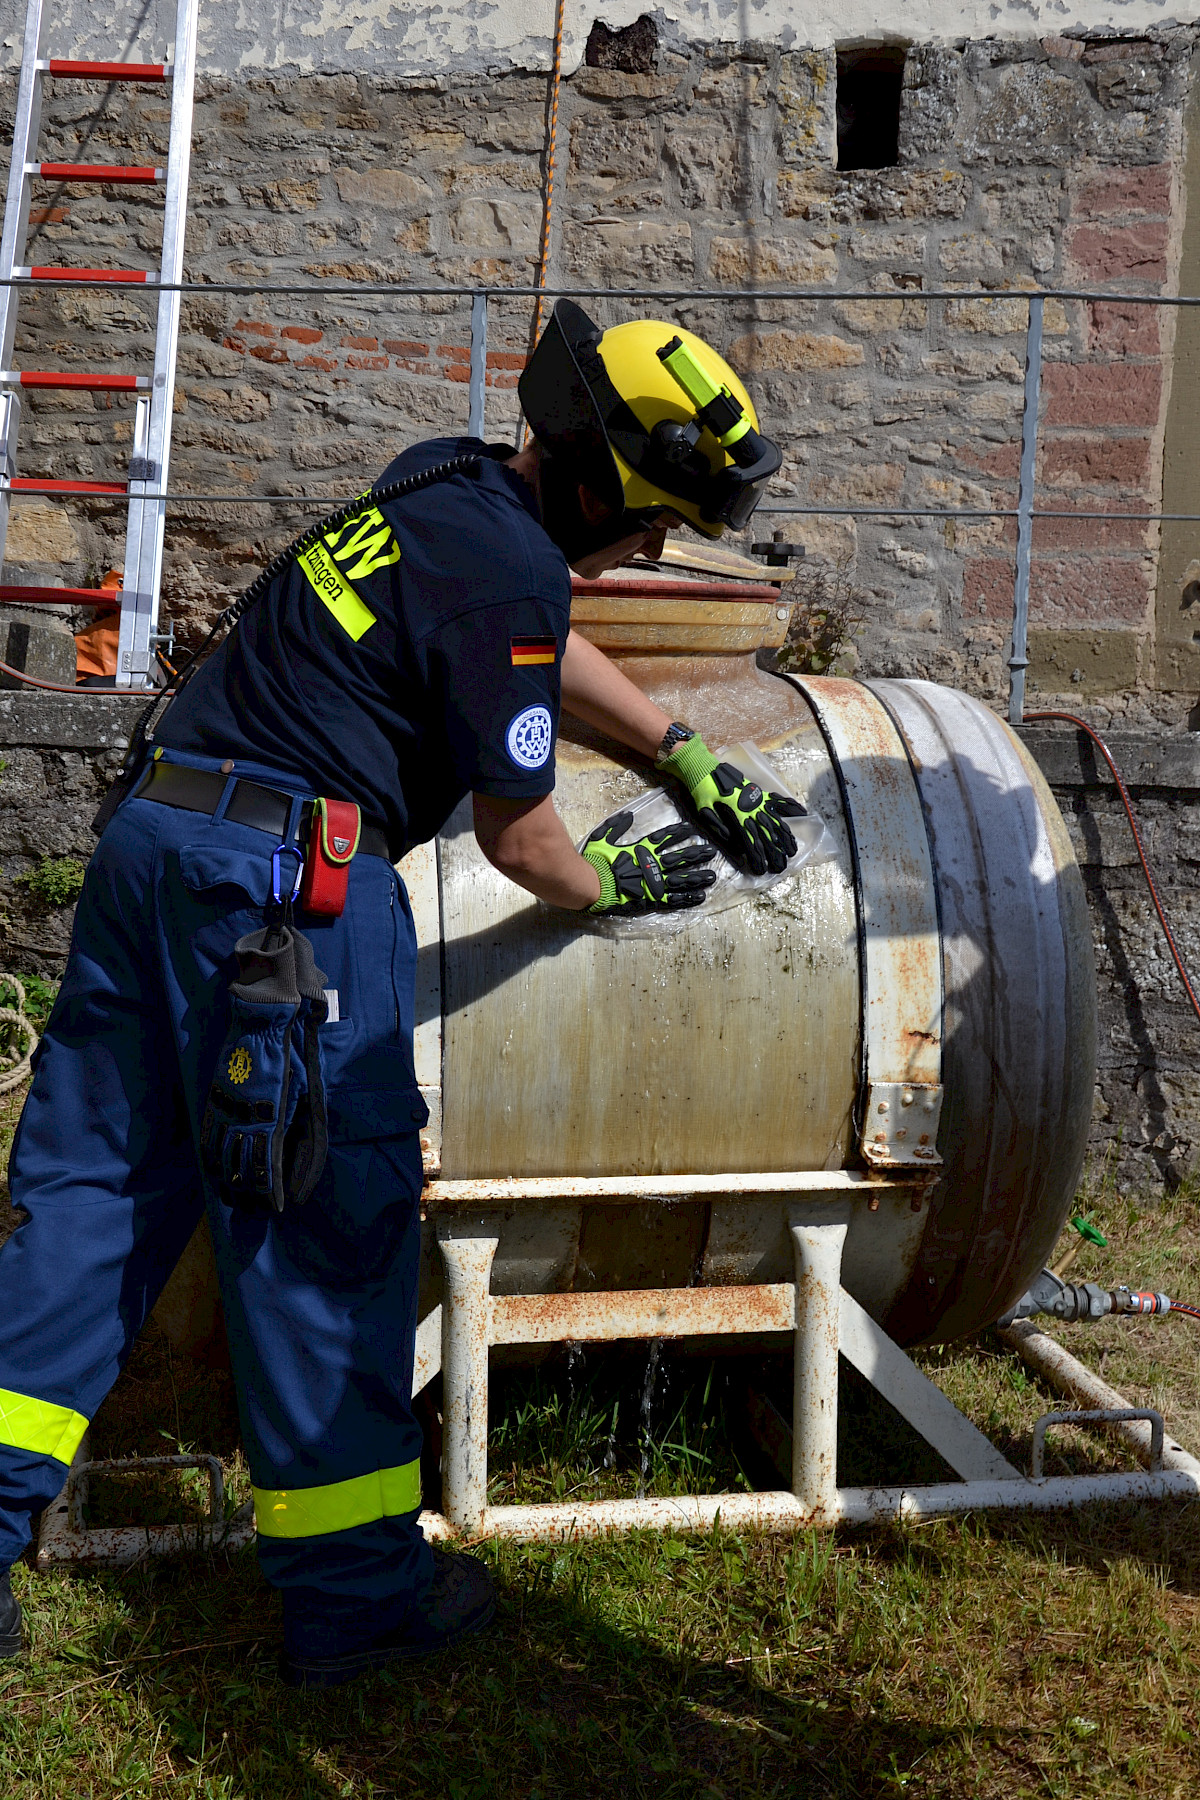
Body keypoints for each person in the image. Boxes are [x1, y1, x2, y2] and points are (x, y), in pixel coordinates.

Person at [0, 300, 801, 1688]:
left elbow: (527, 643)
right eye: (654, 524)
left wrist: (678, 747)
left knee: (92, 1196)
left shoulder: (443, 475)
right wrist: (614, 882)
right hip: (289, 901)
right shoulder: (517, 580)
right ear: (610, 486)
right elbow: (523, 839)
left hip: (157, 847)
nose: (652, 554)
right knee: (323, 1228)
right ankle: (355, 1593)